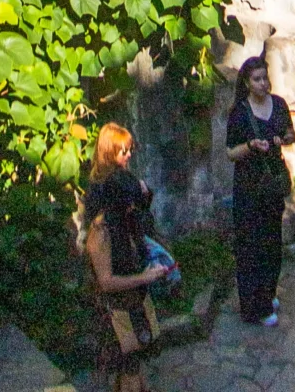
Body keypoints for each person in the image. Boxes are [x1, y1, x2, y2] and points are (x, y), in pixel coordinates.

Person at [82, 123, 170, 391]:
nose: (133, 208)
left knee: (133, 366)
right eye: (124, 151)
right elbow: (106, 281)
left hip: (131, 303)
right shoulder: (102, 230)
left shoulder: (122, 216)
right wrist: (144, 277)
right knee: (129, 366)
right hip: (115, 311)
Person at [226, 54, 295, 325]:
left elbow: (290, 134)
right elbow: (230, 152)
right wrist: (251, 146)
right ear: (247, 82)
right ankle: (254, 307)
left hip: (272, 185)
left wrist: (282, 139)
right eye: (257, 79)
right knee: (250, 247)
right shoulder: (239, 113)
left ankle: (268, 292)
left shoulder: (278, 105)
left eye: (265, 78)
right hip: (248, 187)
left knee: (272, 244)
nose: (263, 83)